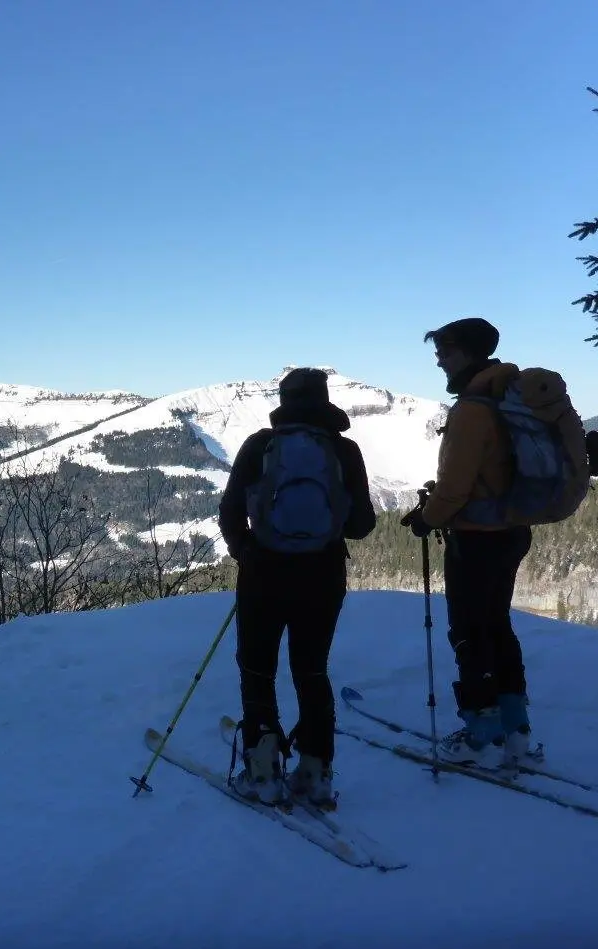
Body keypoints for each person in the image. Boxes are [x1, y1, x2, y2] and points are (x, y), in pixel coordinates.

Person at [218, 368, 377, 808]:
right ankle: (315, 772)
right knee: (311, 670)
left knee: (257, 668)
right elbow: (363, 525)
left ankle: (263, 771)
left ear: (283, 400)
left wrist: (245, 550)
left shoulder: (258, 445)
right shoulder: (345, 451)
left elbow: (230, 510)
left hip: (263, 573)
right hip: (322, 576)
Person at [400, 317, 536, 769]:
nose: (440, 359)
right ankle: (515, 730)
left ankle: (480, 732)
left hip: (477, 537)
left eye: (446, 351)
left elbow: (455, 488)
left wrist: (426, 518)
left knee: (468, 632)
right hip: (513, 531)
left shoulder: (472, 410)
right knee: (497, 626)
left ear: (469, 352)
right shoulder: (508, 396)